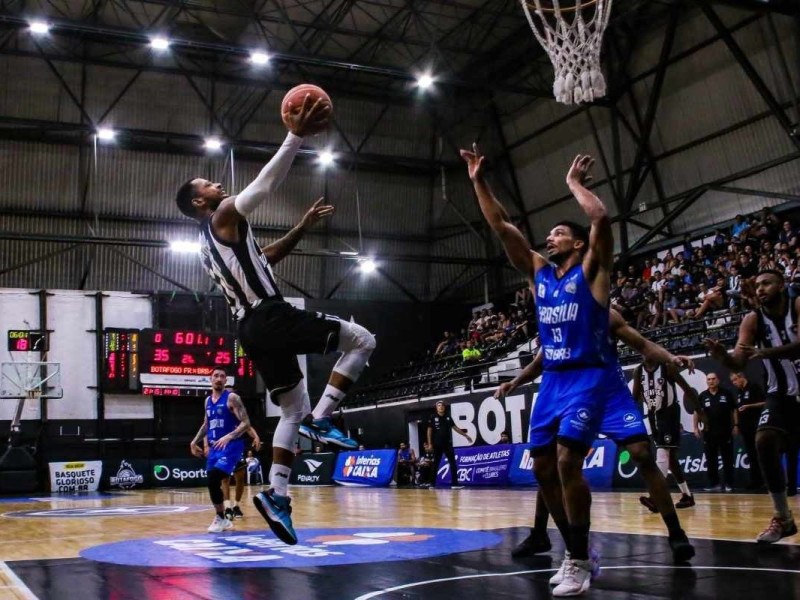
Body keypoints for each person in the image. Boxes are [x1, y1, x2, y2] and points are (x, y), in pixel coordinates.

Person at [462, 146, 692, 596]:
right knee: (544, 468)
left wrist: (574, 186)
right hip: (554, 382)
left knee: (599, 458)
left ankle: (648, 539)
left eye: (560, 232)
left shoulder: (592, 275)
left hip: (594, 379)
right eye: (548, 234)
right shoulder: (538, 275)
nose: (551, 238)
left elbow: (602, 222)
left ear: (578, 243)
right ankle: (571, 551)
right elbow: (500, 226)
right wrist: (478, 181)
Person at [176, 96, 376, 546]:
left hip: (250, 329)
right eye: (208, 183)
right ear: (198, 200)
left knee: (290, 409)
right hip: (269, 316)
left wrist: (302, 226)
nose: (217, 184)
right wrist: (296, 136)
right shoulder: (223, 216)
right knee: (362, 340)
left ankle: (278, 495)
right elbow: (263, 186)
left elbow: (265, 259)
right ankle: (324, 420)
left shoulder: (213, 246)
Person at [495, 309, 696, 560]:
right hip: (574, 395)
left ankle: (676, 533)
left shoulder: (605, 314)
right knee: (551, 465)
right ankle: (547, 536)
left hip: (610, 394)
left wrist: (670, 357)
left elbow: (642, 344)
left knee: (641, 453)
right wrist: (514, 382)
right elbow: (539, 362)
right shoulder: (554, 317)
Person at [706, 269, 800, 542]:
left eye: (767, 283)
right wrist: (723, 357)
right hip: (779, 394)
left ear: (781, 285)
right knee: (764, 441)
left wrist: (766, 352)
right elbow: (739, 361)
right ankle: (783, 517)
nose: (760, 288)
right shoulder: (752, 319)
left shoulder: (796, 305)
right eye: (757, 285)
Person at [189, 367, 251, 533]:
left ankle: (222, 517)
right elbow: (207, 424)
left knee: (215, 477)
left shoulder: (232, 398)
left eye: (222, 376)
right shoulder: (207, 401)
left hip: (231, 446)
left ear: (225, 380)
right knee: (211, 481)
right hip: (215, 447)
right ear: (210, 379)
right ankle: (222, 518)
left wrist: (229, 436)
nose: (218, 379)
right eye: (215, 376)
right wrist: (194, 441)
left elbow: (246, 423)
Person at [632, 358, 699, 511]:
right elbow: (635, 397)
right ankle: (687, 496)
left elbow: (687, 389)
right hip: (653, 415)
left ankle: (656, 498)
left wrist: (701, 412)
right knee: (671, 459)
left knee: (662, 454)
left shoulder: (667, 367)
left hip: (669, 414)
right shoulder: (638, 371)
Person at [694, 373, 736, 492]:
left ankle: (729, 483)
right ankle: (714, 484)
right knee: (711, 459)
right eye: (709, 379)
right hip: (708, 432)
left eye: (713, 379)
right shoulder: (702, 395)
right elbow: (696, 412)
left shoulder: (726, 393)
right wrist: (695, 428)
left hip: (725, 431)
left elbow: (734, 410)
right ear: (706, 382)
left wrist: (736, 425)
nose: (711, 381)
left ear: (718, 380)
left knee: (728, 459)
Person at [729, 372, 766, 490]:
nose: (734, 383)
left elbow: (764, 402)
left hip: (757, 425)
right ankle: (755, 481)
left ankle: (766, 481)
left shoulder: (754, 387)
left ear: (741, 377)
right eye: (732, 381)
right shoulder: (739, 392)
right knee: (751, 455)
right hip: (745, 428)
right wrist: (737, 425)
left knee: (761, 453)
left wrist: (749, 406)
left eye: (735, 380)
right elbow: (737, 409)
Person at [427, 400, 472, 489]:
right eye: (439, 405)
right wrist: (429, 444)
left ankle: (455, 484)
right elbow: (429, 431)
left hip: (447, 443)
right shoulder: (433, 417)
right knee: (435, 463)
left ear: (444, 407)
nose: (441, 407)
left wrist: (466, 435)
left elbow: (455, 428)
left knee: (453, 463)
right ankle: (432, 484)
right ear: (436, 408)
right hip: (437, 444)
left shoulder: (448, 417)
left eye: (442, 405)